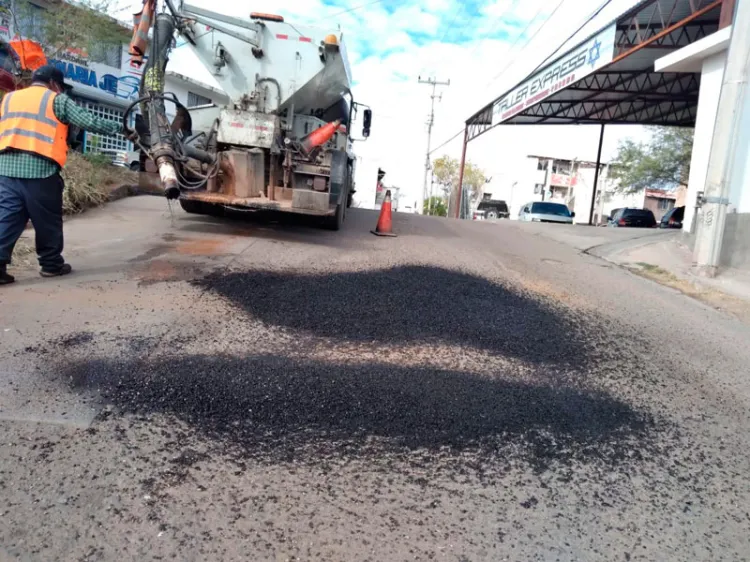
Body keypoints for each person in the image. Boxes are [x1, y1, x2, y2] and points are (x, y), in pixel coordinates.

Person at [0, 65, 128, 285]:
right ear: (53, 84)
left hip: (5, 169)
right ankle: (51, 265)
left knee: (8, 218)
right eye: (60, 87)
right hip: (39, 170)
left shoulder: (9, 98)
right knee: (47, 220)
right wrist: (123, 128)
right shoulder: (56, 100)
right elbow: (90, 121)